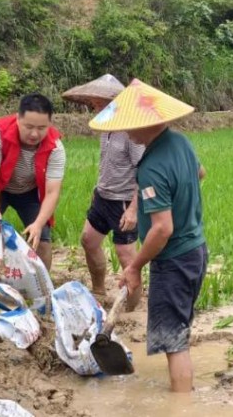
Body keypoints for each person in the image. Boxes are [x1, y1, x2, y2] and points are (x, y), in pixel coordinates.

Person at [89, 79, 207, 393]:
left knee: (173, 342)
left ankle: (181, 405)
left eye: (129, 125)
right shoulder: (180, 142)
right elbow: (199, 173)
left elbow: (162, 228)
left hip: (175, 260)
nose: (126, 132)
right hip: (197, 251)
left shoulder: (151, 165)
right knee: (178, 329)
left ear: (144, 124)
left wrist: (134, 266)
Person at [62, 74, 145, 311]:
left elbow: (144, 171)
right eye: (94, 103)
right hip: (103, 197)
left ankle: (130, 309)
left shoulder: (132, 133)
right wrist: (97, 190)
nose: (95, 107)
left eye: (101, 103)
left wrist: (133, 208)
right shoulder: (105, 127)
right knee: (88, 240)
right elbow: (107, 163)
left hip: (123, 201)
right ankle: (98, 290)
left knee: (127, 258)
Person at [0, 93, 65, 271]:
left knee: (42, 238)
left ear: (50, 124)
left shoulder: (56, 147)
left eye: (41, 128)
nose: (34, 133)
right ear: (17, 119)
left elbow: (52, 192)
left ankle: (42, 290)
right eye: (28, 126)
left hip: (29, 192)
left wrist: (37, 225)